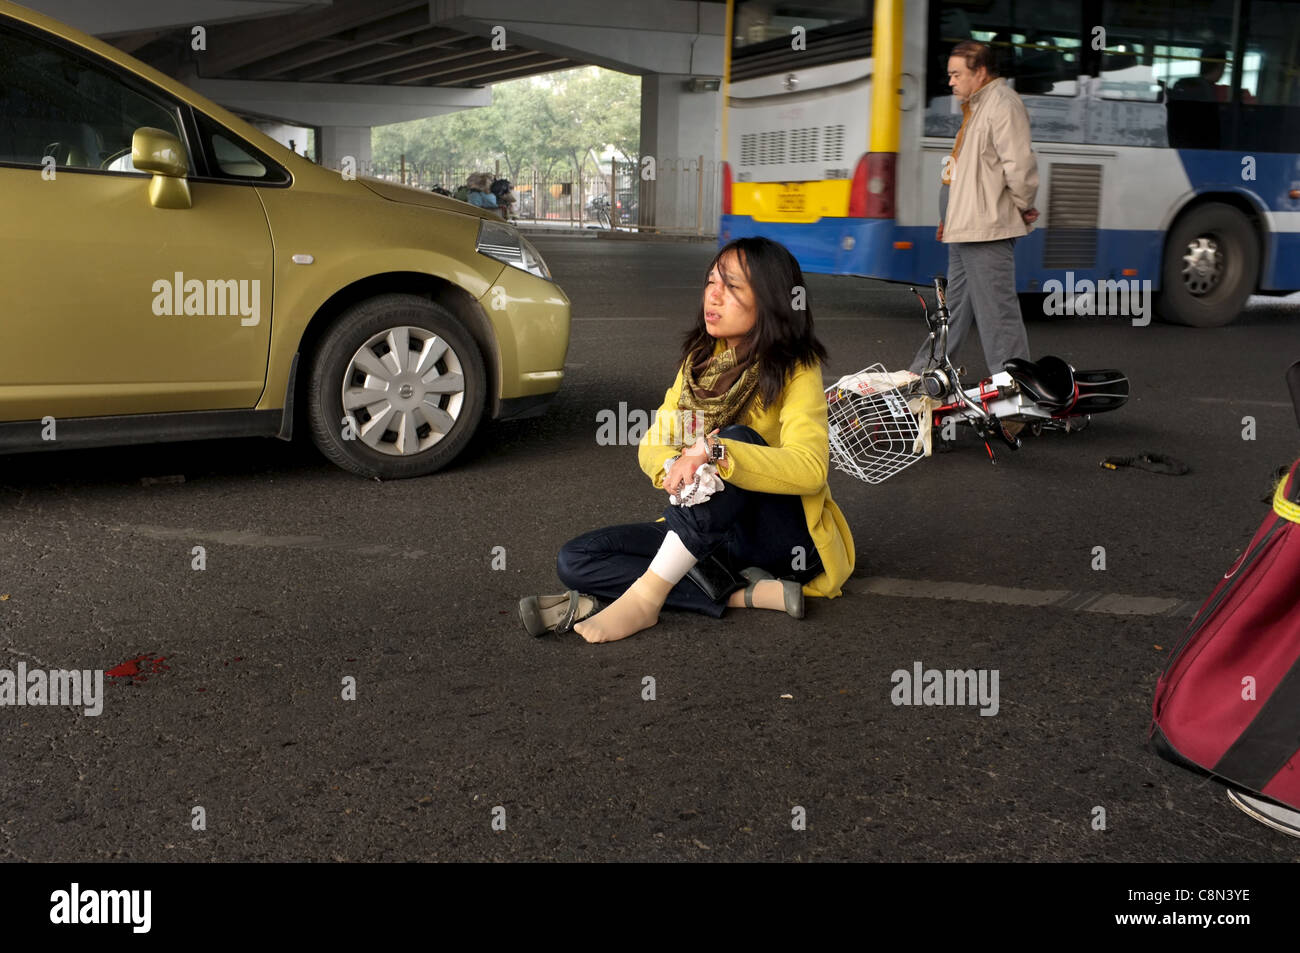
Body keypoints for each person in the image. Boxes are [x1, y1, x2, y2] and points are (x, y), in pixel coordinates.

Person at [518, 237, 855, 643]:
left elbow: (810, 470)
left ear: (769, 300)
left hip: (781, 538)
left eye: (731, 287)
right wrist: (675, 468)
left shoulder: (796, 367)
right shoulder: (699, 364)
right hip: (709, 534)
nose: (713, 295)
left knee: (735, 437)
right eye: (711, 281)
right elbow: (654, 442)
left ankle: (646, 597)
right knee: (576, 559)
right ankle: (744, 594)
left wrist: (713, 452)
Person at [908, 39, 1039, 379]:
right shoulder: (976, 107)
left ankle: (1016, 388)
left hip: (986, 225)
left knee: (997, 311)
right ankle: (925, 377)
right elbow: (963, 171)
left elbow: (1019, 164)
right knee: (954, 310)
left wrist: (1022, 206)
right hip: (965, 224)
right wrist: (948, 217)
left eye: (956, 74)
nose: (950, 81)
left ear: (980, 72)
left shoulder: (1002, 104)